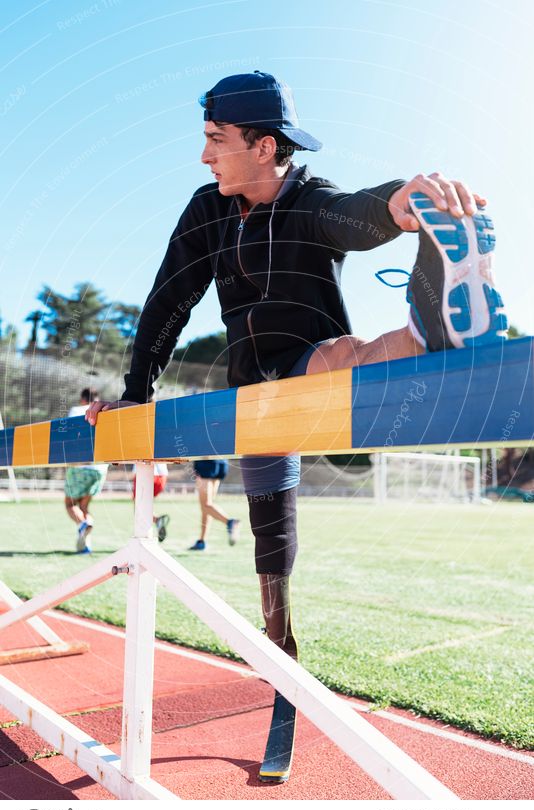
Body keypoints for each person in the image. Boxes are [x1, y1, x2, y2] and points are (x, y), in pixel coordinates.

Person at [86, 70, 507, 668]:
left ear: (263, 146)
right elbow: (168, 300)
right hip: (253, 398)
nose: (204, 155)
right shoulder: (208, 209)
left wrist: (398, 201)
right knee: (271, 527)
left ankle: (432, 319)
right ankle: (279, 640)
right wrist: (137, 392)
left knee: (340, 363)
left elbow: (349, 216)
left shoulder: (308, 198)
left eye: (215, 139)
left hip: (313, 375)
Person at [65, 389, 108, 553]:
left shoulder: (76, 410)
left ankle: (83, 524)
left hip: (80, 465)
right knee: (84, 507)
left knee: (70, 504)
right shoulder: (105, 411)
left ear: (82, 399)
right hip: (100, 468)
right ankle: (86, 545)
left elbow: (69, 436)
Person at [189, 459, 240, 550]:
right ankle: (202, 541)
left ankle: (230, 522)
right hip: (222, 462)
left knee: (205, 505)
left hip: (205, 461)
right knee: (207, 506)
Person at [132, 461, 170, 542]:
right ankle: (156, 521)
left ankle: (143, 537)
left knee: (139, 508)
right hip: (162, 476)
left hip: (145, 471)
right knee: (142, 506)